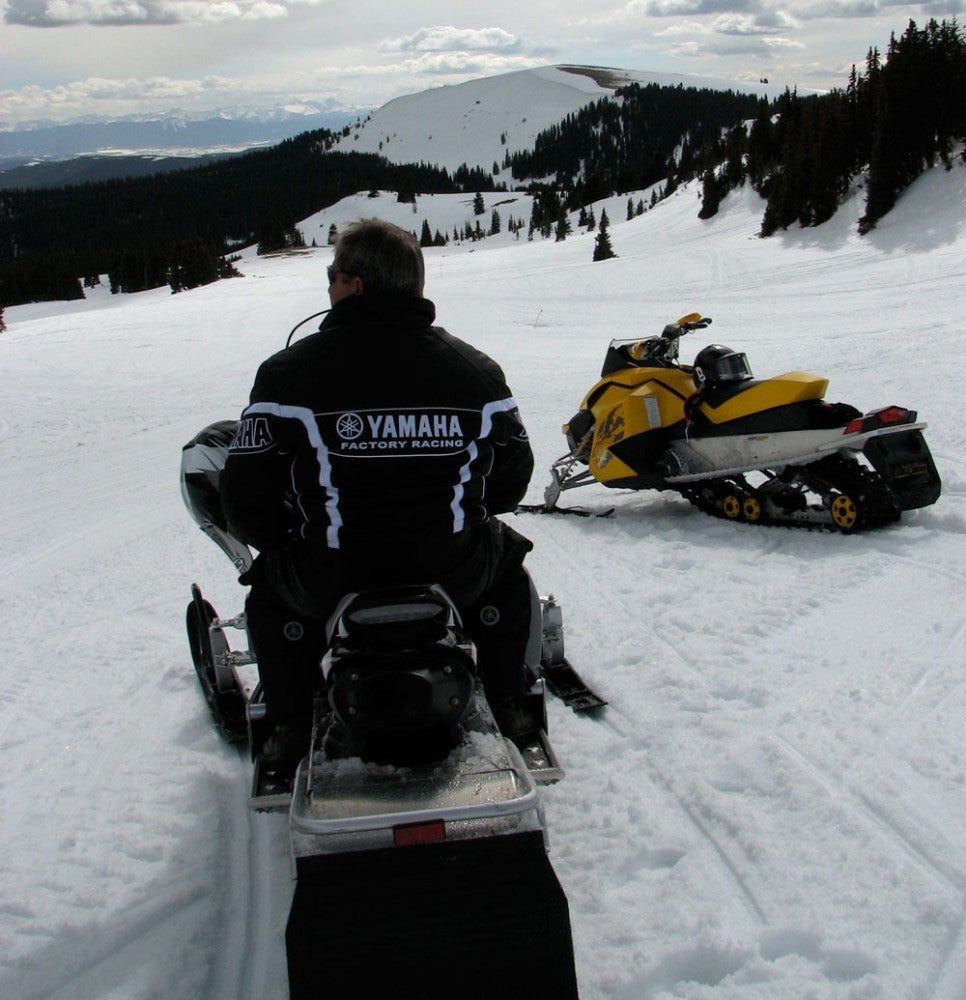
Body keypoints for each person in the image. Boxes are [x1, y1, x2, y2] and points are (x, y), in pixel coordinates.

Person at [220, 218, 537, 760]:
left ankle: (288, 725)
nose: (328, 285)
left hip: (332, 569)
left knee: (271, 600)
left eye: (332, 275)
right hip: (450, 565)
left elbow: (245, 498)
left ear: (356, 286)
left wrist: (284, 539)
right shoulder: (478, 373)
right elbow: (511, 481)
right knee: (506, 577)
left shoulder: (288, 375)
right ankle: (512, 701)